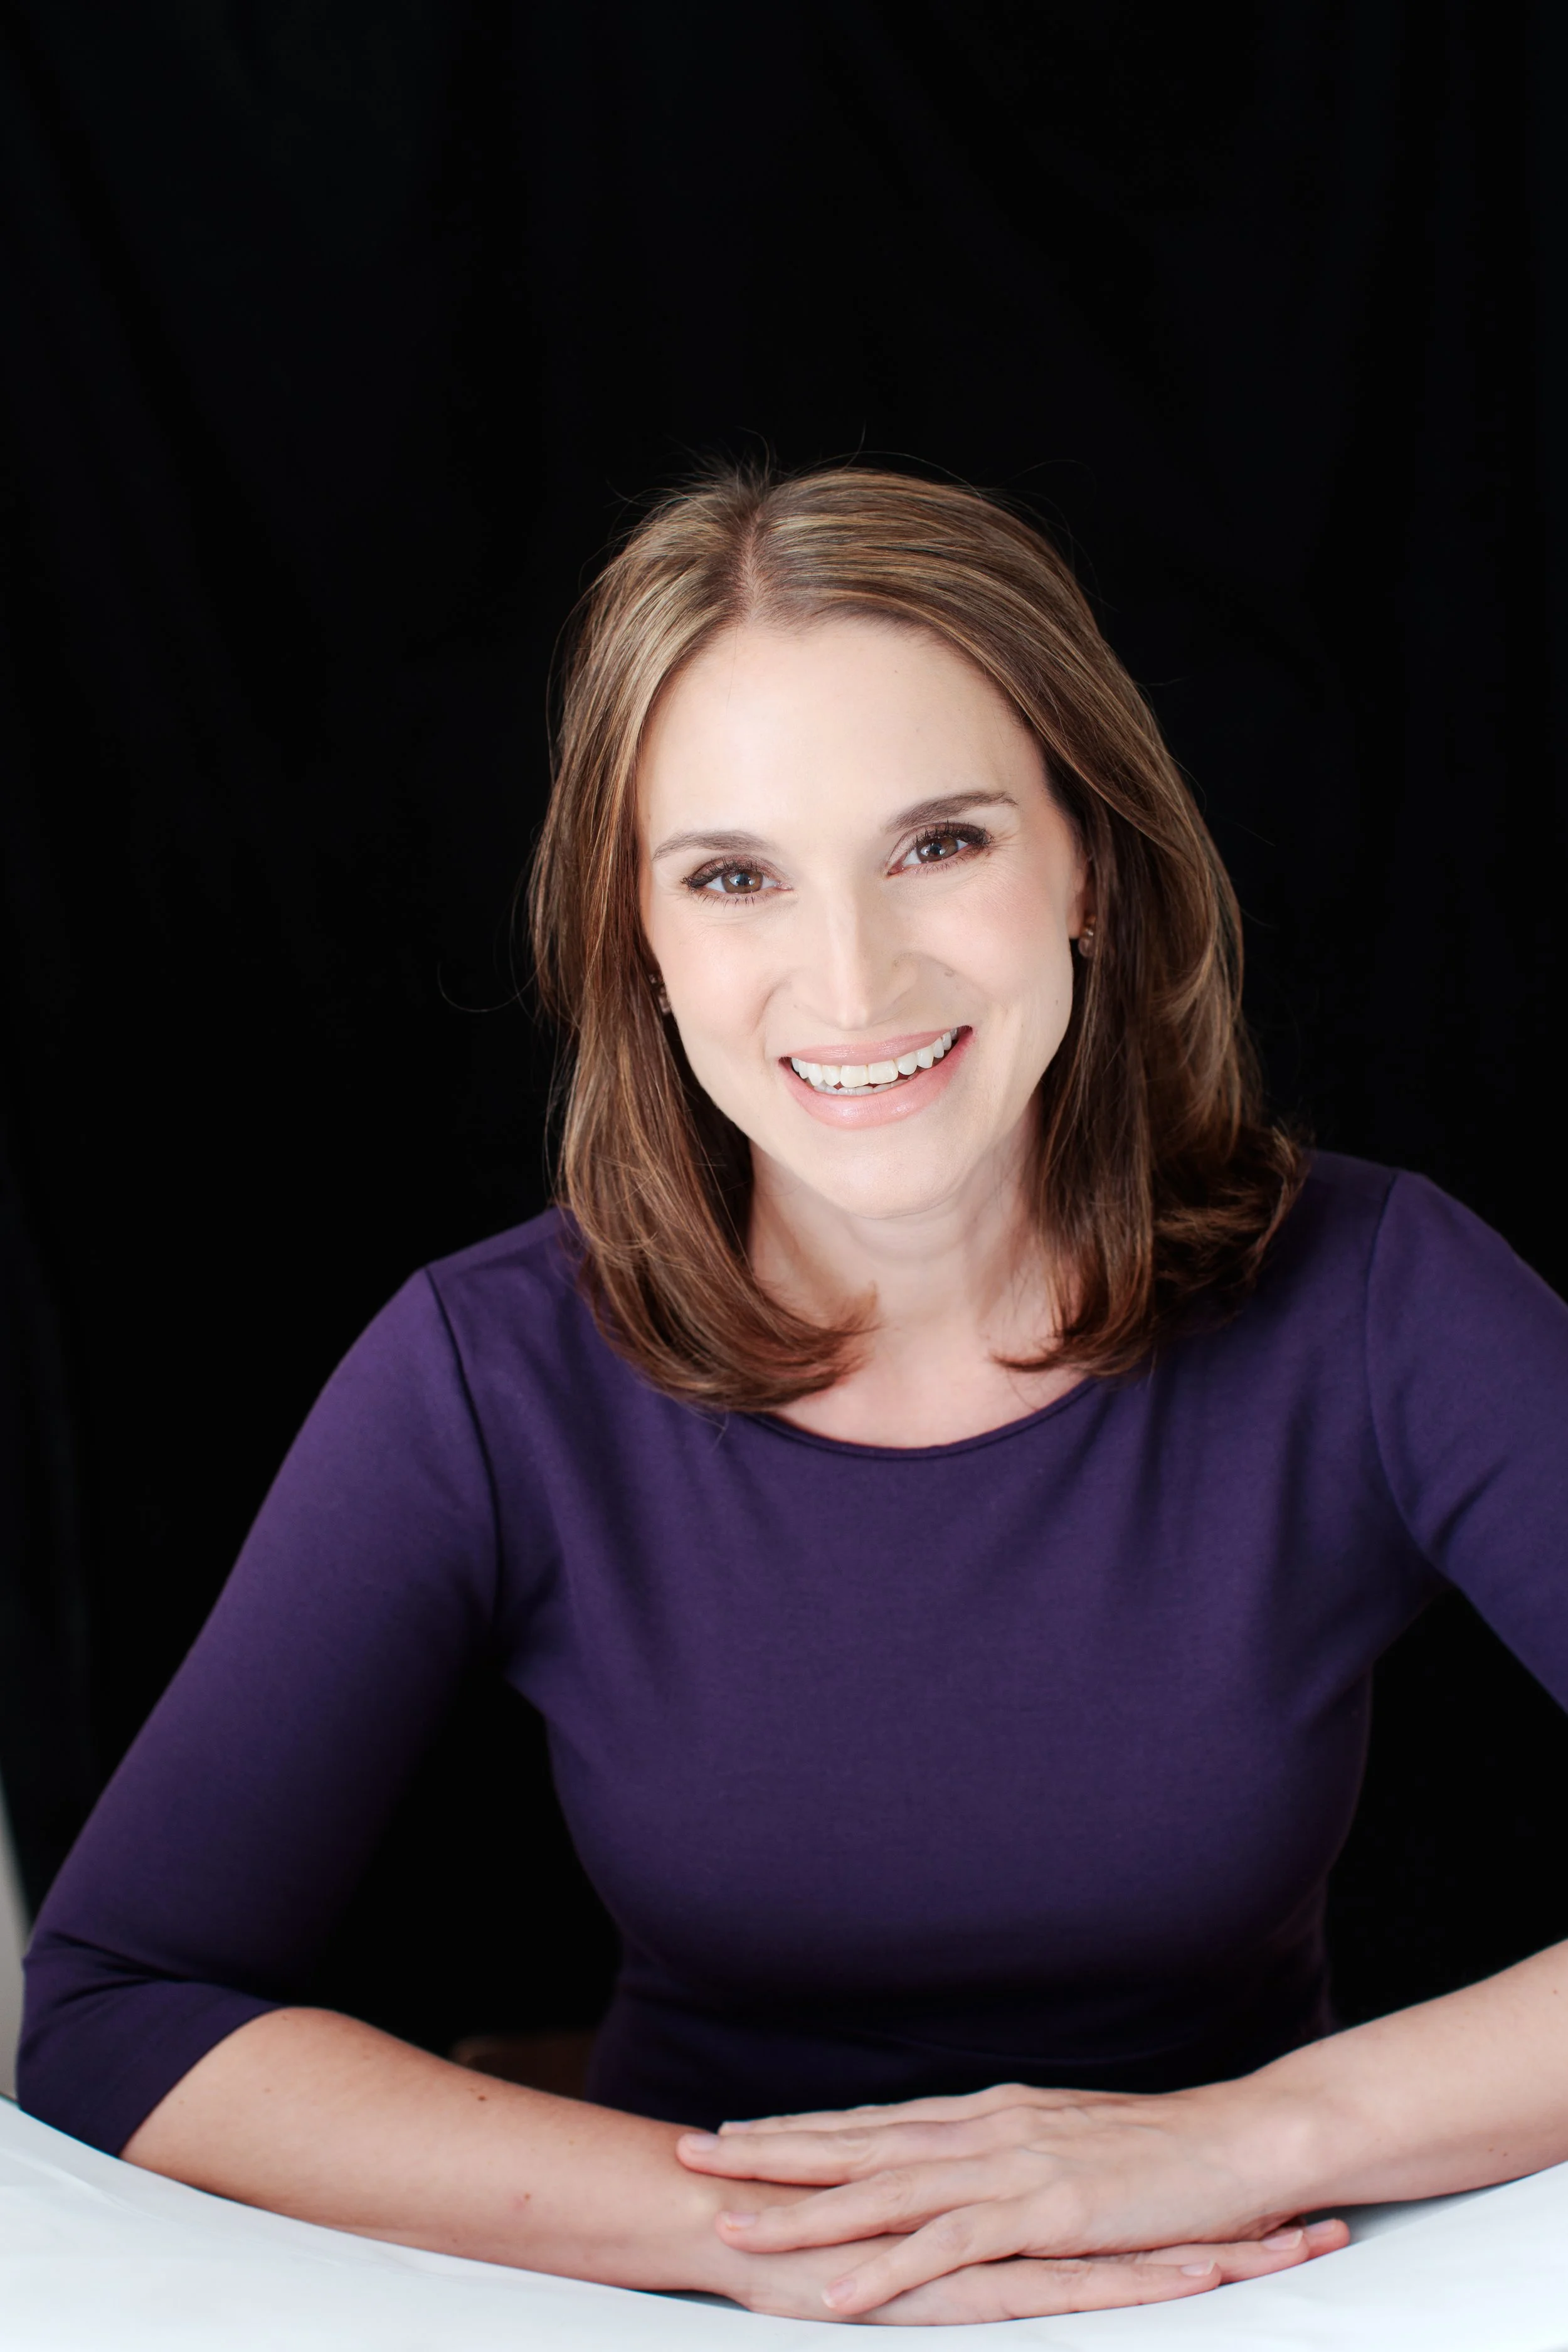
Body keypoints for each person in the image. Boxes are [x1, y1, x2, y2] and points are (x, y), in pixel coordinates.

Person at [18, 465, 1568, 2326]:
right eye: (734, 875)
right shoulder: (484, 1374)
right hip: (686, 2302)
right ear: (640, 941)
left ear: (1088, 861)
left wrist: (1243, 2138)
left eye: (939, 843)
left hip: (1252, 2286)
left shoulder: (1380, 1296)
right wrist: (787, 2244)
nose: (850, 976)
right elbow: (112, 2015)